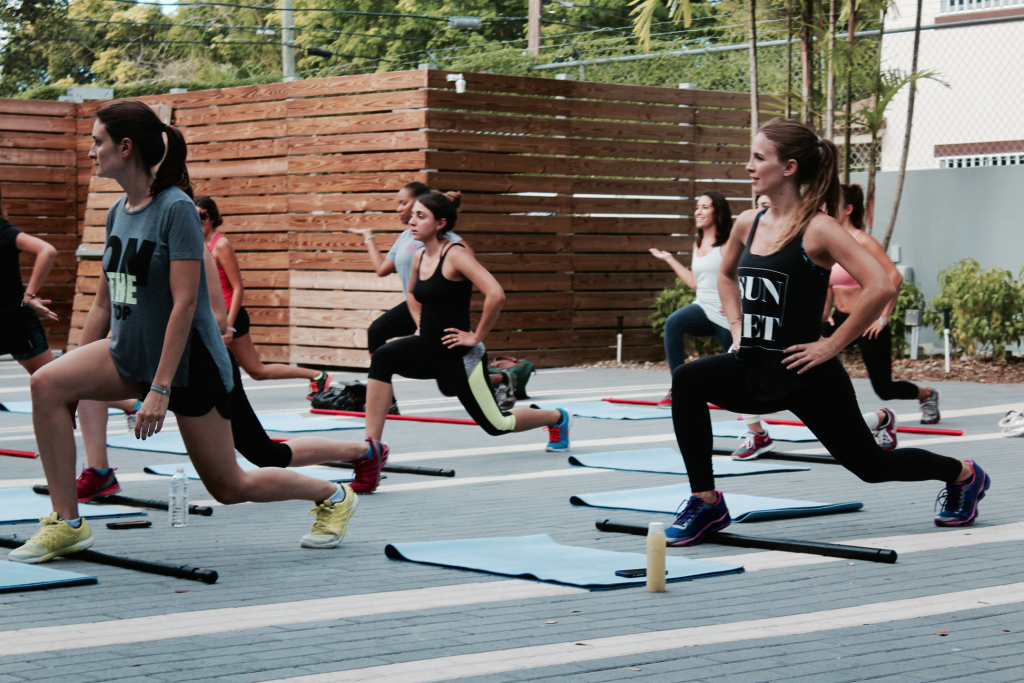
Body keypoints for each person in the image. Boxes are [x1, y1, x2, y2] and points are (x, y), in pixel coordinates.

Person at [9, 100, 358, 564]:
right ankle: (66, 524)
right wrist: (75, 369)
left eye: (97, 142)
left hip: (191, 368)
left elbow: (185, 304)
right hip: (128, 352)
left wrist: (159, 389)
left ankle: (332, 495)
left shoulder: (176, 210)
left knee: (231, 484)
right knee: (47, 383)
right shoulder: (118, 211)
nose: (91, 151)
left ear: (126, 147)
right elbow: (104, 300)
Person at [664, 117, 989, 547]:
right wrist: (738, 325)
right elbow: (726, 277)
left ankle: (964, 475)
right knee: (688, 380)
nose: (749, 166)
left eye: (759, 158)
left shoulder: (818, 229)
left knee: (871, 467)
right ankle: (706, 501)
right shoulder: (748, 222)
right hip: (752, 365)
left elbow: (880, 284)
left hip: (807, 375)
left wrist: (832, 344)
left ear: (789, 167)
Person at [76, 212, 388, 503]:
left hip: (199, 366)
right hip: (151, 359)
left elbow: (215, 312)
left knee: (263, 454)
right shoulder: (133, 231)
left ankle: (363, 451)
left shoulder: (197, 248)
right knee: (76, 384)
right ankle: (98, 470)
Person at [363, 191, 571, 451]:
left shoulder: (456, 255)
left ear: (440, 224)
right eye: (413, 215)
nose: (412, 222)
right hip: (427, 346)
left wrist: (476, 337)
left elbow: (496, 294)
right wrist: (418, 324)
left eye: (421, 216)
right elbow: (413, 295)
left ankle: (558, 417)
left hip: (458, 356)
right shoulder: (419, 257)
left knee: (497, 425)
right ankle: (371, 450)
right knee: (383, 357)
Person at [349, 183, 514, 410]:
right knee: (378, 336)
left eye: (404, 203)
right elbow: (382, 270)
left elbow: (474, 271)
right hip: (416, 305)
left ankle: (501, 379)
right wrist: (369, 238)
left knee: (448, 385)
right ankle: (386, 401)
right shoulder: (406, 238)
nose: (400, 209)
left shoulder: (449, 242)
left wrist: (475, 336)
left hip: (438, 309)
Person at [650, 192, 773, 460]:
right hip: (703, 308)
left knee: (744, 373)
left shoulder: (729, 243)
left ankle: (758, 433)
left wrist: (739, 309)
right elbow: (696, 283)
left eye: (704, 207)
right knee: (674, 323)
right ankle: (677, 386)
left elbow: (744, 275)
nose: (698, 211)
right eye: (697, 207)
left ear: (717, 212)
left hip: (727, 314)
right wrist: (670, 259)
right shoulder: (699, 242)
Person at [0, 188, 139, 421]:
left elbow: (47, 250)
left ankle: (129, 402)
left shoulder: (6, 233)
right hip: (8, 321)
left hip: (16, 323)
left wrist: (29, 294)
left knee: (59, 381)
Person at [824, 183, 940, 430]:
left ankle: (927, 394)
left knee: (884, 389)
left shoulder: (863, 241)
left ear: (848, 209)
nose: (826, 207)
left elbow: (894, 276)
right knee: (812, 358)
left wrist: (883, 317)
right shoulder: (830, 241)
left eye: (832, 202)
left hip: (868, 321)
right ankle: (830, 415)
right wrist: (825, 316)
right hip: (840, 318)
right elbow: (829, 285)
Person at [198, 196, 331, 400]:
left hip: (228, 316)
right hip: (211, 316)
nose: (199, 222)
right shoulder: (197, 245)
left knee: (253, 370)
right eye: (194, 217)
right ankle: (315, 375)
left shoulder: (220, 244)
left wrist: (230, 325)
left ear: (212, 218)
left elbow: (237, 287)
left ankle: (317, 375)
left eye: (203, 217)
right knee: (256, 372)